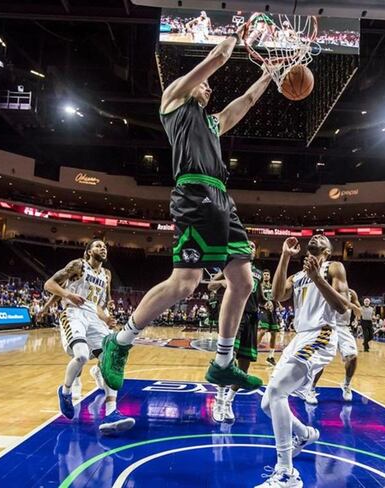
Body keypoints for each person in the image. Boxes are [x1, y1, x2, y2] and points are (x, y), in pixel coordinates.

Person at [98, 21, 273, 393]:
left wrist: (269, 76)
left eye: (209, 86)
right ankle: (121, 341)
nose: (208, 87)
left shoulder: (211, 123)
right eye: (205, 83)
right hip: (193, 194)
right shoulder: (174, 101)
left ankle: (223, 363)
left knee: (243, 281)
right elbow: (217, 57)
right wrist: (237, 38)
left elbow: (245, 104)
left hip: (222, 198)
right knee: (185, 284)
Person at [257, 235, 351, 487]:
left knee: (277, 392)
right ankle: (304, 433)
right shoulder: (297, 276)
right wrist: (285, 256)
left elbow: (343, 307)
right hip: (299, 338)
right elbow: (277, 294)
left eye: (323, 237)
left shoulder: (333, 268)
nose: (317, 235)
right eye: (314, 234)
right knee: (268, 403)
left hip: (322, 333)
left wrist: (318, 278)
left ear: (328, 251)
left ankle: (286, 473)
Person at [43, 240, 135, 435]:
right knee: (82, 356)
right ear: (88, 252)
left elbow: (99, 305)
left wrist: (107, 319)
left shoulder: (106, 275)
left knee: (110, 360)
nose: (103, 248)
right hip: (73, 313)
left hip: (94, 318)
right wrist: (68, 294)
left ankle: (112, 413)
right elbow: (49, 284)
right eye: (98, 246)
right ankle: (66, 391)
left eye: (105, 247)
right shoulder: (78, 265)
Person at [208, 241, 263, 422]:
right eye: (249, 246)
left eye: (254, 247)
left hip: (252, 318)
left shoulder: (258, 273)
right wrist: (224, 281)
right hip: (235, 316)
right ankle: (219, 400)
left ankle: (229, 401)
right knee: (228, 360)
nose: (252, 248)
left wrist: (267, 302)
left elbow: (259, 295)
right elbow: (211, 286)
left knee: (245, 364)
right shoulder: (231, 266)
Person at [310, 288, 362, 403]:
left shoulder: (351, 293)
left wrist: (358, 314)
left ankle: (346, 384)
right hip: (326, 327)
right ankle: (311, 388)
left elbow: (359, 309)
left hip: (343, 327)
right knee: (320, 361)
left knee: (353, 357)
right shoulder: (324, 289)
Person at [258, 269, 281, 366]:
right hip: (264, 310)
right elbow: (258, 298)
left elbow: (275, 297)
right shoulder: (260, 286)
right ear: (263, 276)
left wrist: (279, 304)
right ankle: (253, 350)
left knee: (274, 333)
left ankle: (270, 357)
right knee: (263, 330)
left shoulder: (272, 286)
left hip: (273, 311)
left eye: (268, 274)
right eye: (265, 274)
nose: (266, 276)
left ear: (270, 276)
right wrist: (263, 305)